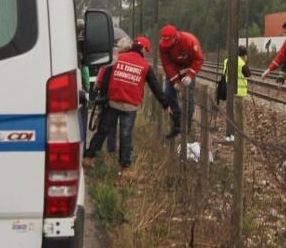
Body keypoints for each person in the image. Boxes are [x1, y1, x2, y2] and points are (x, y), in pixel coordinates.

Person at [84, 36, 169, 172]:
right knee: (126, 135)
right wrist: (165, 104)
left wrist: (104, 95)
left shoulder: (119, 58)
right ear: (142, 49)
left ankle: (89, 157)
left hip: (112, 102)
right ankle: (125, 168)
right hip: (130, 106)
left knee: (102, 131)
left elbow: (106, 77)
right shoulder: (145, 66)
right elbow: (155, 87)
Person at [159, 23, 204, 138]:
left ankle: (187, 125)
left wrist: (190, 75)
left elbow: (198, 59)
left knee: (188, 97)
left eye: (170, 43)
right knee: (168, 94)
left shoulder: (190, 41)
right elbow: (166, 63)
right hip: (173, 70)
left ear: (175, 37)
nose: (167, 46)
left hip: (188, 68)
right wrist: (174, 80)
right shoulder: (162, 45)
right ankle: (177, 122)